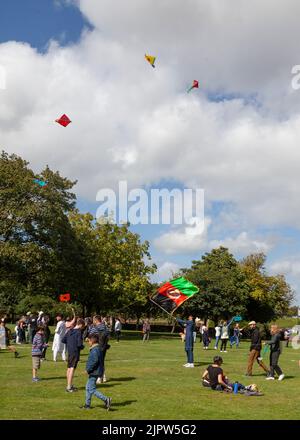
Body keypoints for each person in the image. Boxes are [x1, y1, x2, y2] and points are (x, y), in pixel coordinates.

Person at [80, 333, 112, 411]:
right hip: (95, 372)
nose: (88, 342)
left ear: (92, 341)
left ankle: (106, 399)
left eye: (89, 341)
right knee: (88, 387)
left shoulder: (95, 350)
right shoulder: (97, 348)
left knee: (91, 389)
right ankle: (87, 405)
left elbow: (94, 361)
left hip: (94, 372)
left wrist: (88, 370)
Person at [62, 318, 85, 392]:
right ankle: (69, 387)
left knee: (69, 368)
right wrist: (82, 346)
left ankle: (69, 384)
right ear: (81, 325)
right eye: (83, 327)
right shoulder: (79, 332)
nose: (82, 328)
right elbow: (79, 344)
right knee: (72, 368)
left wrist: (70, 343)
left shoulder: (69, 331)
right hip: (75, 352)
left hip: (69, 351)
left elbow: (63, 340)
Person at [89, 315, 110, 383]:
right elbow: (108, 336)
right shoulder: (105, 327)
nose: (93, 321)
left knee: (97, 362)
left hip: (96, 347)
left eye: (93, 320)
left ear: (96, 320)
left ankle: (99, 377)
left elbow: (90, 336)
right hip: (104, 346)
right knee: (101, 362)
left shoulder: (94, 328)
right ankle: (103, 377)